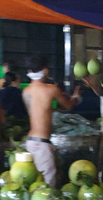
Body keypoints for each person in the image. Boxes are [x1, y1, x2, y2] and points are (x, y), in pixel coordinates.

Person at [20, 55, 81, 187]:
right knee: (47, 185)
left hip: (30, 141)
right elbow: (68, 105)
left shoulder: (26, 91)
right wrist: (76, 97)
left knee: (32, 182)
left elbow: (37, 111)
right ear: (46, 70)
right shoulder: (51, 89)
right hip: (42, 144)